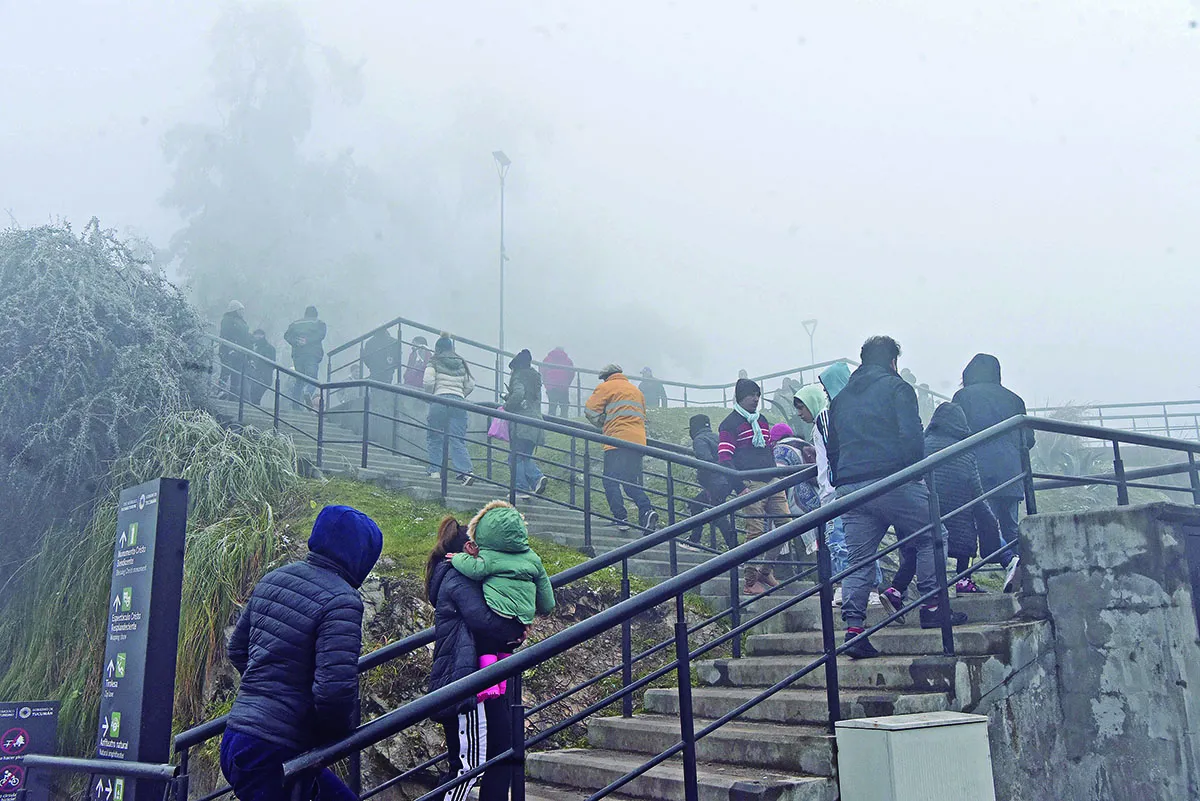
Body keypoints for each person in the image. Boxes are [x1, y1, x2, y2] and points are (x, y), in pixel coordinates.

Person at [222, 505, 383, 801]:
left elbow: (237, 649)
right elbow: (334, 691)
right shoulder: (342, 600)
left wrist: (269, 690)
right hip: (274, 751)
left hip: (238, 738)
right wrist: (332, 740)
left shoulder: (274, 578)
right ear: (363, 555)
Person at [827, 336, 967, 660]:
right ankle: (932, 606)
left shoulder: (841, 399)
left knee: (858, 560)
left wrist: (841, 477)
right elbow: (911, 434)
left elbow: (833, 445)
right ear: (892, 361)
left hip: (851, 489)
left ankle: (853, 630)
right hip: (893, 480)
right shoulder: (898, 388)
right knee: (933, 534)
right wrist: (913, 473)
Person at [426, 516, 527, 801]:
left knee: (504, 753)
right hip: (466, 683)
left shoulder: (461, 575)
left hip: (477, 679)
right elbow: (483, 619)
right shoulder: (457, 576)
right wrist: (518, 629)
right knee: (467, 770)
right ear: (470, 548)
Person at [884, 402, 1002, 607]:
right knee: (966, 525)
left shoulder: (922, 445)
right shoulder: (965, 452)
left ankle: (896, 590)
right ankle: (963, 579)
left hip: (923, 513)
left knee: (917, 548)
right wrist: (990, 521)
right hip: (958, 520)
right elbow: (977, 492)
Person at [446, 501, 555, 702]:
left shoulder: (490, 556)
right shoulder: (533, 558)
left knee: (485, 641)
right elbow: (547, 599)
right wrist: (543, 609)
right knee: (506, 645)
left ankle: (489, 683)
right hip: (521, 621)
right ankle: (503, 683)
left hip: (498, 612)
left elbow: (475, 570)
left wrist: (457, 559)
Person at [793, 369, 883, 609]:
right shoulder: (839, 415)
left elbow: (832, 455)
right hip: (839, 487)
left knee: (845, 541)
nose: (800, 413)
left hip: (838, 489)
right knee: (849, 541)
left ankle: (857, 587)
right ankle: (857, 586)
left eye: (802, 407)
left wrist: (831, 485)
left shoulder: (827, 416)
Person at [952, 354, 1034, 592]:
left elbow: (957, 432)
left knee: (974, 524)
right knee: (1010, 527)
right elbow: (1028, 439)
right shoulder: (1014, 400)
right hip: (1011, 473)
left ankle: (963, 578)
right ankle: (1024, 578)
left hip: (976, 470)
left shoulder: (962, 397)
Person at [718, 378, 791, 595]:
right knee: (756, 531)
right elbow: (724, 458)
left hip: (772, 481)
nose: (755, 398)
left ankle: (765, 571)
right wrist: (739, 487)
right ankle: (750, 581)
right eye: (751, 394)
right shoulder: (729, 424)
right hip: (750, 483)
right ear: (740, 396)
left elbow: (768, 449)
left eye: (757, 394)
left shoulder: (763, 420)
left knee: (788, 525)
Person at [585, 365, 659, 532]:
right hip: (638, 442)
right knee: (630, 482)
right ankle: (647, 511)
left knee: (610, 480)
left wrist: (602, 424)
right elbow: (643, 416)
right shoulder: (636, 391)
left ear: (606, 376)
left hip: (616, 441)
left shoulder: (606, 387)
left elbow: (589, 411)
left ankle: (620, 518)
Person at [424, 334, 476, 485]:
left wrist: (431, 395)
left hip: (439, 400)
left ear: (438, 348)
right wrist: (460, 394)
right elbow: (471, 384)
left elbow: (427, 381)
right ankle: (466, 472)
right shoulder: (461, 362)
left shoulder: (434, 361)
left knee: (435, 436)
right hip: (459, 403)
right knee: (457, 439)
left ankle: (435, 470)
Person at [686, 414, 735, 549]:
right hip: (726, 481)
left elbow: (705, 461)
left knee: (718, 516)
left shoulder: (699, 439)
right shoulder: (717, 437)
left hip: (714, 483)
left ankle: (736, 549)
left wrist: (704, 480)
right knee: (697, 504)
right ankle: (695, 539)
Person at [505, 349, 548, 497]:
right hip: (536, 423)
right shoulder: (536, 378)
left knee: (515, 457)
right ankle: (537, 479)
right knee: (524, 456)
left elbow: (518, 394)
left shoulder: (518, 376)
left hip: (522, 423)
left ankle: (521, 488)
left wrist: (507, 405)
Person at [284, 306, 327, 409]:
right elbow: (321, 335)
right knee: (312, 378)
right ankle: (308, 391)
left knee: (299, 379)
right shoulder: (319, 324)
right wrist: (307, 340)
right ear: (316, 314)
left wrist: (296, 341)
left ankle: (295, 405)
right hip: (312, 354)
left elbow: (286, 336)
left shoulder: (295, 324)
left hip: (298, 354)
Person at [219, 300, 253, 399]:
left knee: (236, 375)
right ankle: (221, 391)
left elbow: (245, 339)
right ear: (235, 310)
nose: (242, 312)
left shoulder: (242, 322)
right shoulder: (228, 319)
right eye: (240, 310)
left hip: (240, 353)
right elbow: (225, 335)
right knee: (226, 371)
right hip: (229, 350)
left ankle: (232, 396)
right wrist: (228, 349)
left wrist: (250, 355)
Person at [540, 346, 575, 418]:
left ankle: (551, 425)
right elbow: (571, 374)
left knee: (552, 407)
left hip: (551, 387)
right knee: (564, 407)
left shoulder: (547, 359)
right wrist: (567, 384)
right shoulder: (567, 360)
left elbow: (542, 372)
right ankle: (564, 425)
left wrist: (547, 385)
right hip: (563, 387)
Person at [247, 329, 277, 406]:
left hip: (263, 377)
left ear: (263, 336)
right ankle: (255, 410)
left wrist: (261, 374)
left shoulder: (268, 348)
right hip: (256, 376)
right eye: (256, 334)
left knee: (255, 396)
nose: (257, 336)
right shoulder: (254, 346)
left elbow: (271, 364)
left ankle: (255, 411)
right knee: (254, 396)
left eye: (259, 335)